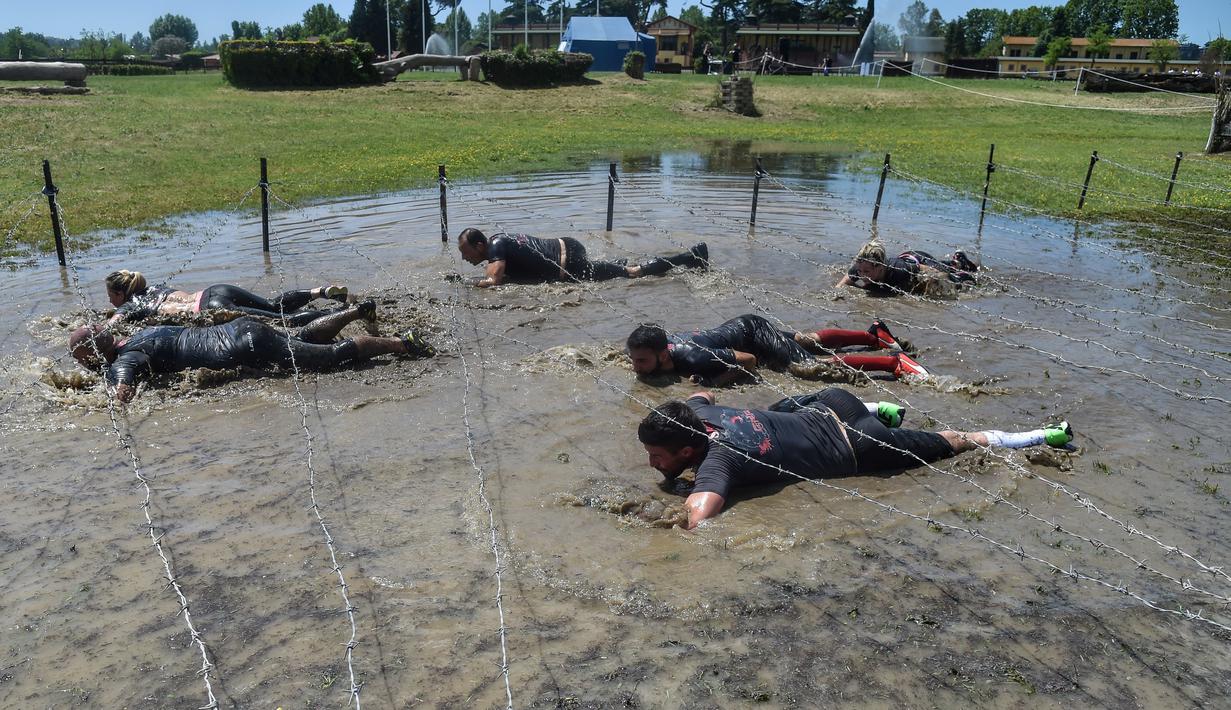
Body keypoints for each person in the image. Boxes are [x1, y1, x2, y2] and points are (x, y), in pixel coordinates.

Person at [637, 387, 1074, 529]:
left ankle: (1043, 435)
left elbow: (697, 516)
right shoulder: (696, 416)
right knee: (781, 408)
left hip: (862, 447)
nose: (652, 464)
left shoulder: (719, 461)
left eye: (657, 456)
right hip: (833, 402)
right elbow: (703, 393)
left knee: (958, 440)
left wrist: (658, 519)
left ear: (690, 449)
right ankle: (879, 408)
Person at [69, 302, 435, 403]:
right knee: (302, 340)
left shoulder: (124, 360)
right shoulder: (143, 332)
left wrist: (113, 400)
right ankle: (355, 312)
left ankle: (403, 344)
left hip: (242, 347)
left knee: (329, 359)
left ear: (89, 356)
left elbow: (122, 389)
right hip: (240, 330)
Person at [625, 315, 929, 387]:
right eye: (633, 358)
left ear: (663, 354)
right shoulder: (658, 346)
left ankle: (892, 362)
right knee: (806, 340)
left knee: (809, 366)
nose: (635, 365)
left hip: (752, 337)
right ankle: (874, 336)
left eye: (641, 360)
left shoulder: (693, 358)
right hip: (743, 328)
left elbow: (750, 360)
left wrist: (715, 381)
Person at [457, 228, 708, 288]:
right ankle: (617, 265)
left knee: (633, 273)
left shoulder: (495, 246)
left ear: (479, 245)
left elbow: (493, 281)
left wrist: (467, 285)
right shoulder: (501, 242)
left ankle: (690, 257)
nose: (464, 257)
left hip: (571, 265)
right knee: (615, 269)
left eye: (465, 252)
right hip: (569, 249)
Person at [104, 269, 350, 327]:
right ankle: (321, 292)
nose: (110, 302)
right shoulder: (156, 288)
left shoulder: (130, 305)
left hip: (211, 308)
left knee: (279, 321)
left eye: (110, 297)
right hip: (215, 290)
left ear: (119, 293)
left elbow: (111, 326)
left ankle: (338, 316)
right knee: (274, 305)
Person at [834, 241, 978, 296]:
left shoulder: (900, 271)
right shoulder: (859, 269)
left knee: (954, 279)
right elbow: (845, 281)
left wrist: (943, 283)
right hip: (907, 261)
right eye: (860, 270)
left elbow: (928, 271)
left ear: (880, 267)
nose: (862, 274)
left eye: (867, 272)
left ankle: (959, 262)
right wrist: (838, 291)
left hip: (918, 261)